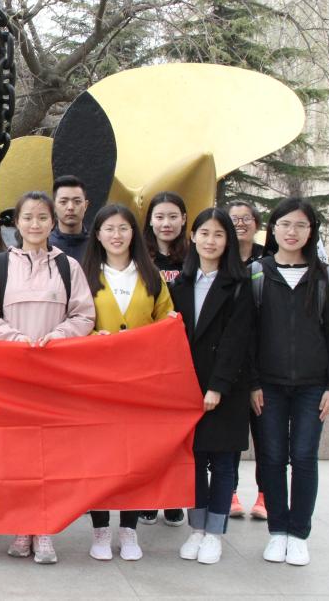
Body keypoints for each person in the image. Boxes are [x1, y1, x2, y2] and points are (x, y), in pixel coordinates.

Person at [0, 191, 96, 565]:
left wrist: (57, 337)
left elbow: (84, 315)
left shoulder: (68, 267)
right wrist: (14, 340)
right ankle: (21, 526)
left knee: (49, 455)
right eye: (27, 217)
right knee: (16, 455)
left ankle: (44, 530)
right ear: (16, 223)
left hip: (52, 373)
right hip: (11, 374)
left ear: (52, 222)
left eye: (42, 217)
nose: (35, 224)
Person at [252, 197, 329, 567]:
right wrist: (253, 383)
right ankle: (278, 530)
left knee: (305, 457)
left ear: (311, 232)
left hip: (313, 386)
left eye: (300, 225)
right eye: (285, 224)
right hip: (268, 386)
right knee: (272, 457)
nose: (292, 232)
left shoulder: (325, 278)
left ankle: (299, 533)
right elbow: (247, 335)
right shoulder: (257, 274)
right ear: (273, 229)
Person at [80, 204, 174, 562]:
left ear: (134, 233)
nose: (116, 235)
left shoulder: (151, 276)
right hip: (97, 383)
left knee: (136, 458)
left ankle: (129, 529)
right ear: (98, 235)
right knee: (99, 458)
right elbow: (73, 320)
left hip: (140, 383)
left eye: (123, 228)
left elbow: (166, 322)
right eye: (109, 229)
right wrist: (93, 337)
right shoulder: (84, 274)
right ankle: (101, 529)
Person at [170, 208, 254, 565]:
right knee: (194, 461)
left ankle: (215, 533)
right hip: (188, 387)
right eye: (204, 233)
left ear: (228, 241)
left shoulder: (240, 285)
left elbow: (237, 341)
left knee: (222, 463)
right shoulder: (180, 284)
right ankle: (197, 528)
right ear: (193, 237)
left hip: (225, 389)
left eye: (219, 235)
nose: (210, 241)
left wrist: (218, 387)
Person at [139, 190, 188, 527]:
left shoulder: (195, 256)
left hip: (184, 356)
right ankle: (148, 497)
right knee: (149, 435)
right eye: (159, 217)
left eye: (172, 216)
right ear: (150, 221)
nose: (166, 223)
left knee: (178, 434)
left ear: (184, 219)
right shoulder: (141, 258)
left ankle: (173, 498)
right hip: (149, 358)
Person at [227, 201, 267, 521]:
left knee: (266, 435)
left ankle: (265, 495)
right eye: (234, 219)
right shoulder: (220, 259)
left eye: (246, 218)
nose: (240, 224)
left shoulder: (268, 259)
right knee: (232, 436)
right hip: (232, 360)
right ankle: (230, 492)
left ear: (256, 223)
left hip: (264, 359)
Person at [49, 175, 90, 263]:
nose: (70, 207)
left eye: (77, 201)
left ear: (85, 205)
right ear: (54, 206)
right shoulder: (44, 246)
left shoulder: (96, 245)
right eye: (63, 202)